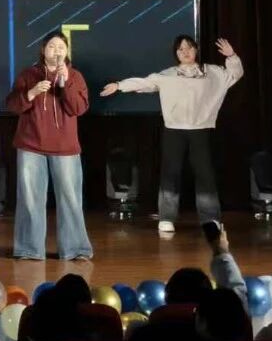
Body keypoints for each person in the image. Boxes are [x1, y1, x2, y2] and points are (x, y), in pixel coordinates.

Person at [99, 36, 243, 235]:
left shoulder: (212, 73)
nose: (185, 52)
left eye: (189, 48)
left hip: (201, 130)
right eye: (181, 49)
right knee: (170, 174)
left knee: (205, 175)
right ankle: (166, 217)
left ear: (196, 50)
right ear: (176, 53)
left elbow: (235, 74)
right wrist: (119, 85)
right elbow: (145, 82)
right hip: (174, 130)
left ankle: (210, 218)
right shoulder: (168, 75)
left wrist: (232, 56)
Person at [6, 32, 92, 260]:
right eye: (52, 47)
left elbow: (78, 108)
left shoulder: (75, 76)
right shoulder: (28, 74)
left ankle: (75, 249)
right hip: (31, 145)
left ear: (67, 51)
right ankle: (29, 249)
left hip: (65, 147)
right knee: (30, 199)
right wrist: (31, 93)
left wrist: (66, 82)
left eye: (61, 47)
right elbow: (12, 105)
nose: (56, 51)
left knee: (70, 199)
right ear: (43, 50)